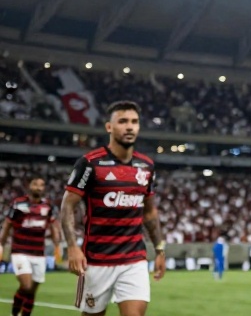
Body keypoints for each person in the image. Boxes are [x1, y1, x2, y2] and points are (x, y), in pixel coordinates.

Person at [60, 100, 166, 316]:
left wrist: (160, 249)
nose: (130, 127)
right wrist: (72, 247)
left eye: (134, 122)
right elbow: (67, 206)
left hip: (133, 259)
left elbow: (149, 212)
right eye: (123, 121)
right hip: (96, 261)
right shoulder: (90, 163)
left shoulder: (146, 166)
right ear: (109, 127)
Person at [0, 175, 61, 316]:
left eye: (41, 185)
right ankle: (15, 312)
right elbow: (8, 224)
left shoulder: (48, 206)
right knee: (27, 286)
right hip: (20, 251)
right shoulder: (18, 203)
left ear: (44, 188)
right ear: (29, 186)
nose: (38, 187)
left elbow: (53, 226)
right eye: (35, 184)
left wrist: (57, 244)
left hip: (39, 253)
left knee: (32, 290)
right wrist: (1, 244)